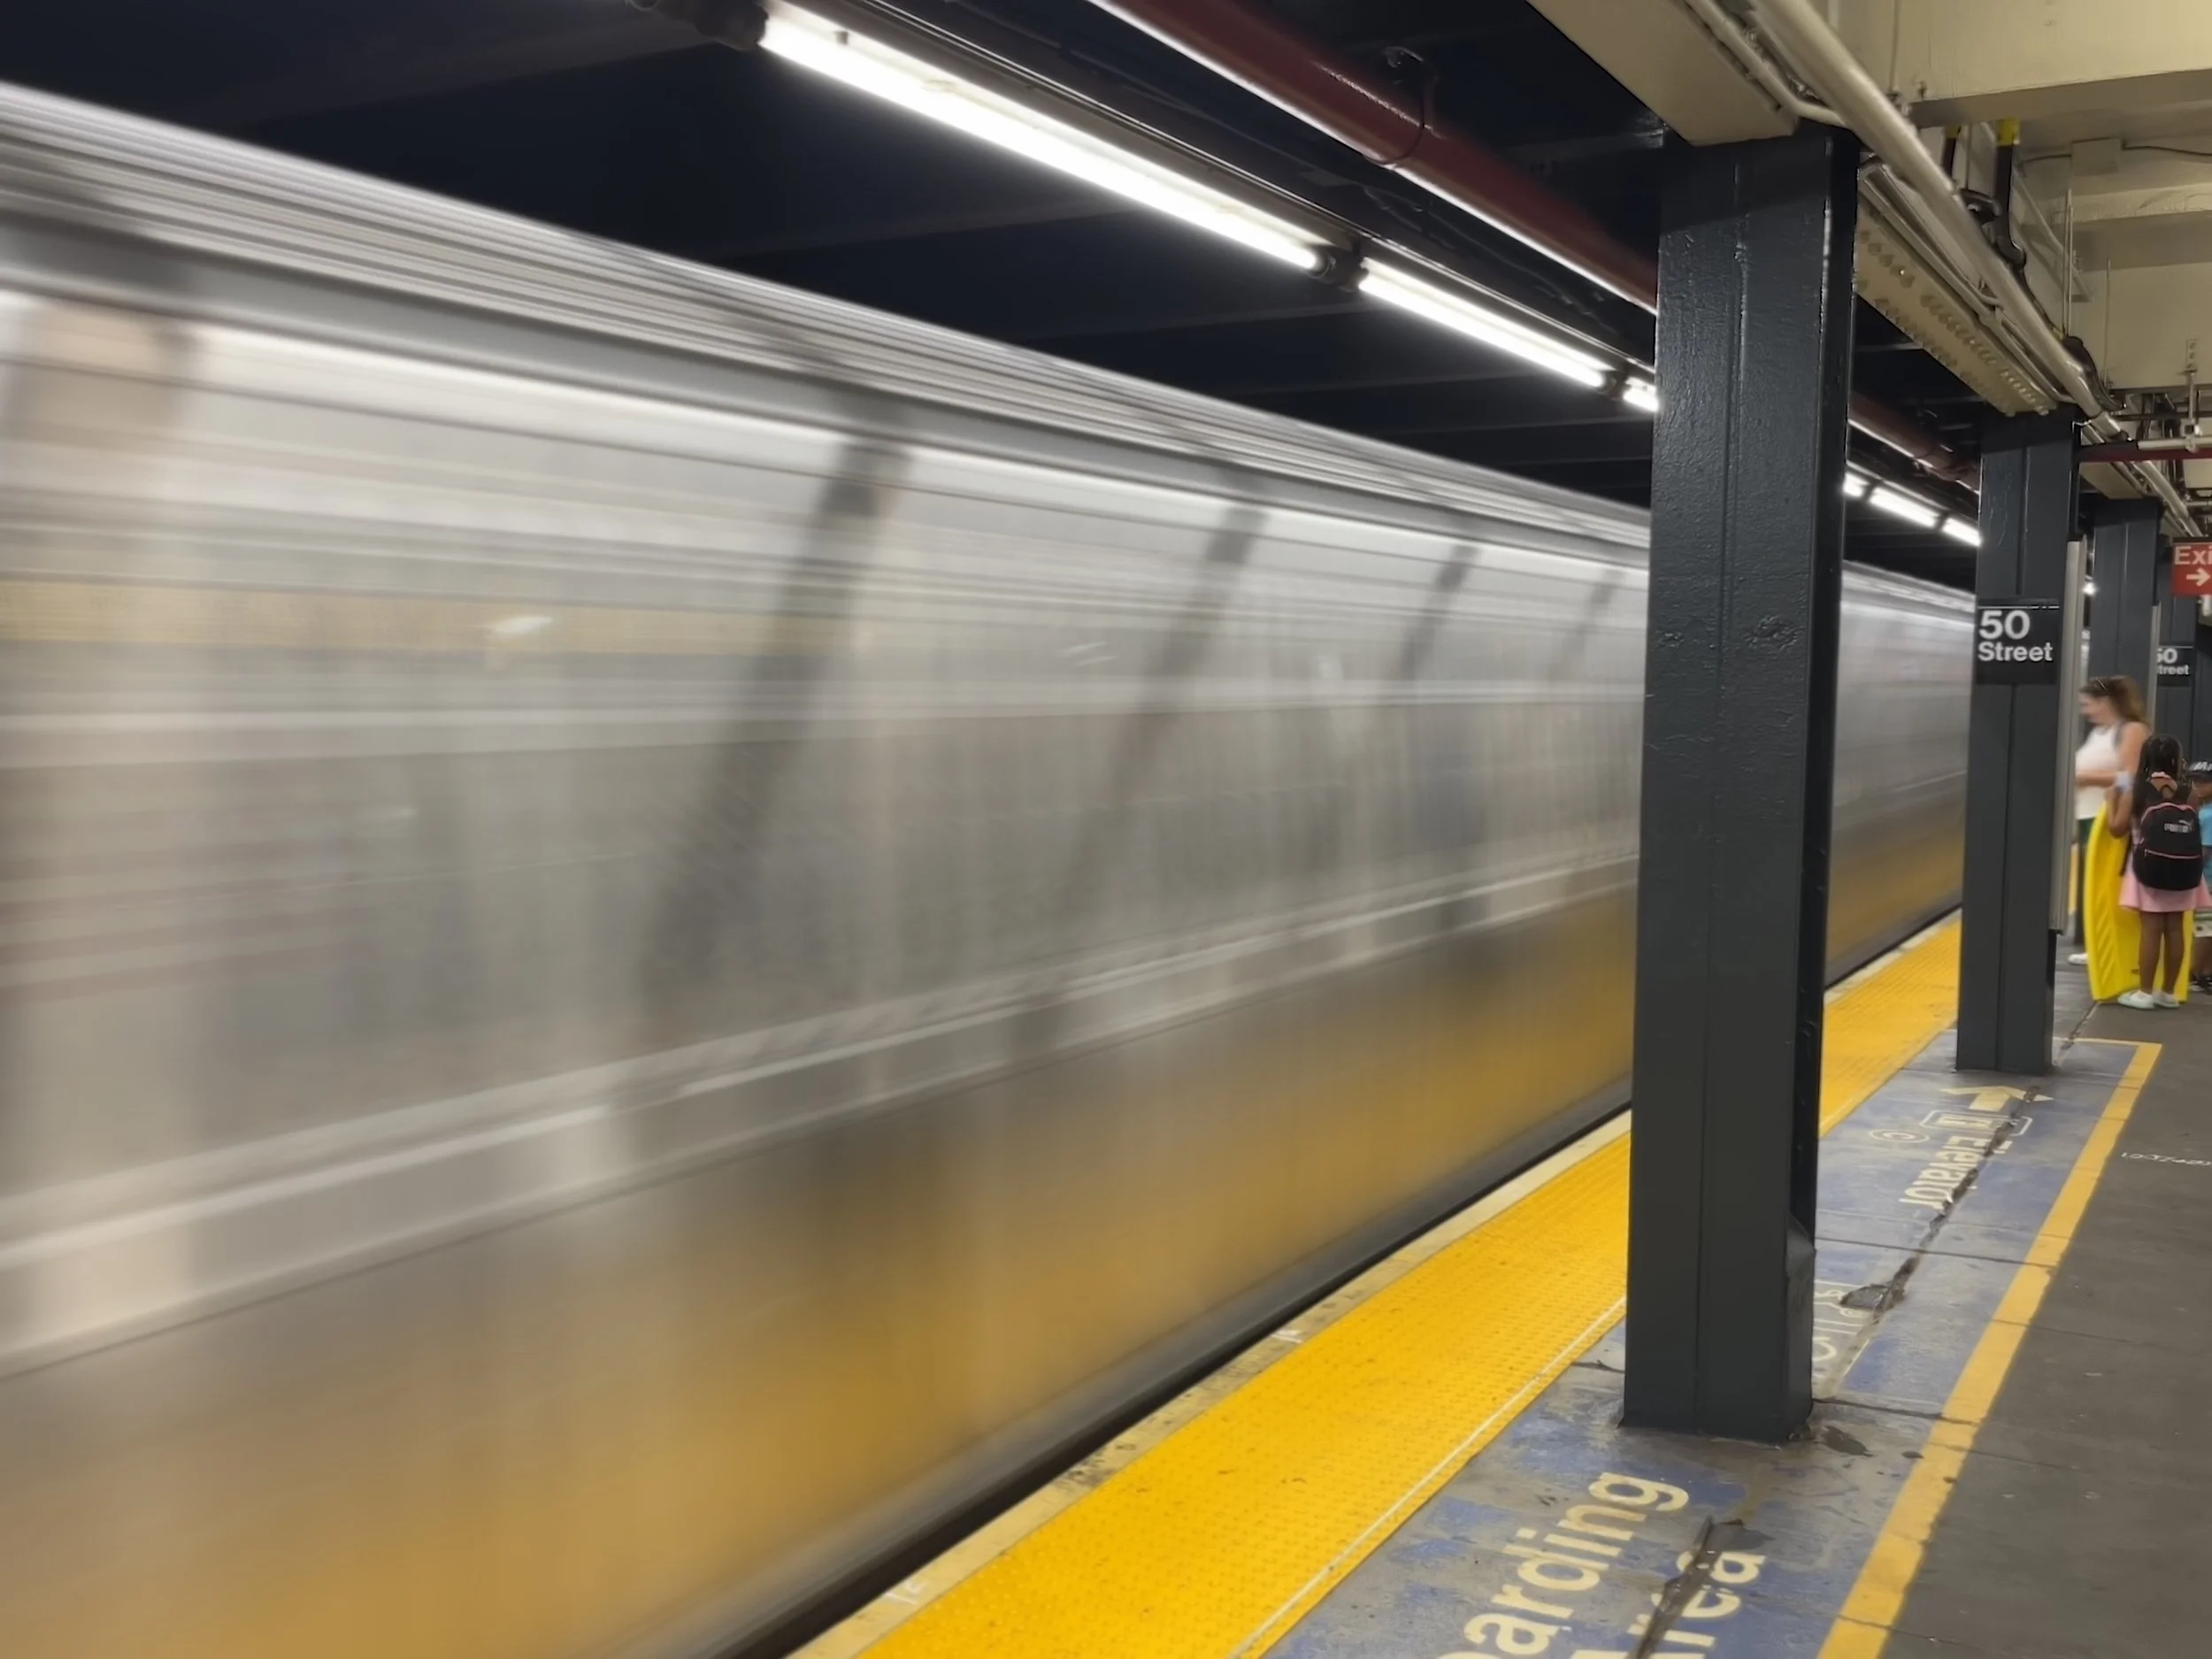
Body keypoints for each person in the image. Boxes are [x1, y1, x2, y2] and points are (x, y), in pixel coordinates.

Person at [2107, 733, 2208, 1009]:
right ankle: (2168, 993)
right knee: (2175, 928)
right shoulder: (2189, 792)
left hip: (2149, 866)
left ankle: (2145, 993)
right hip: (2184, 868)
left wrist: (2110, 802)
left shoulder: (2137, 791)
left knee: (2151, 928)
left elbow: (2116, 829)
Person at [2071, 675, 2147, 960]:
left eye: (2088, 704)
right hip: (2089, 814)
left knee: (2110, 885)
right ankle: (2100, 946)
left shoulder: (2131, 730)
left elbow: (2130, 777)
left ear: (2107, 702)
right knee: (2096, 885)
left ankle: (2113, 949)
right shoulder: (2100, 732)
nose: (2085, 711)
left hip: (2113, 820)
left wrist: (2084, 777)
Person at [2193, 759, 2212, 994]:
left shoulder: (2207, 815)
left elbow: (2206, 851)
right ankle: (2206, 974)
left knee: (2205, 928)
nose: (2197, 786)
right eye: (2194, 781)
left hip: (2207, 881)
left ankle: (2194, 973)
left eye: (2204, 782)